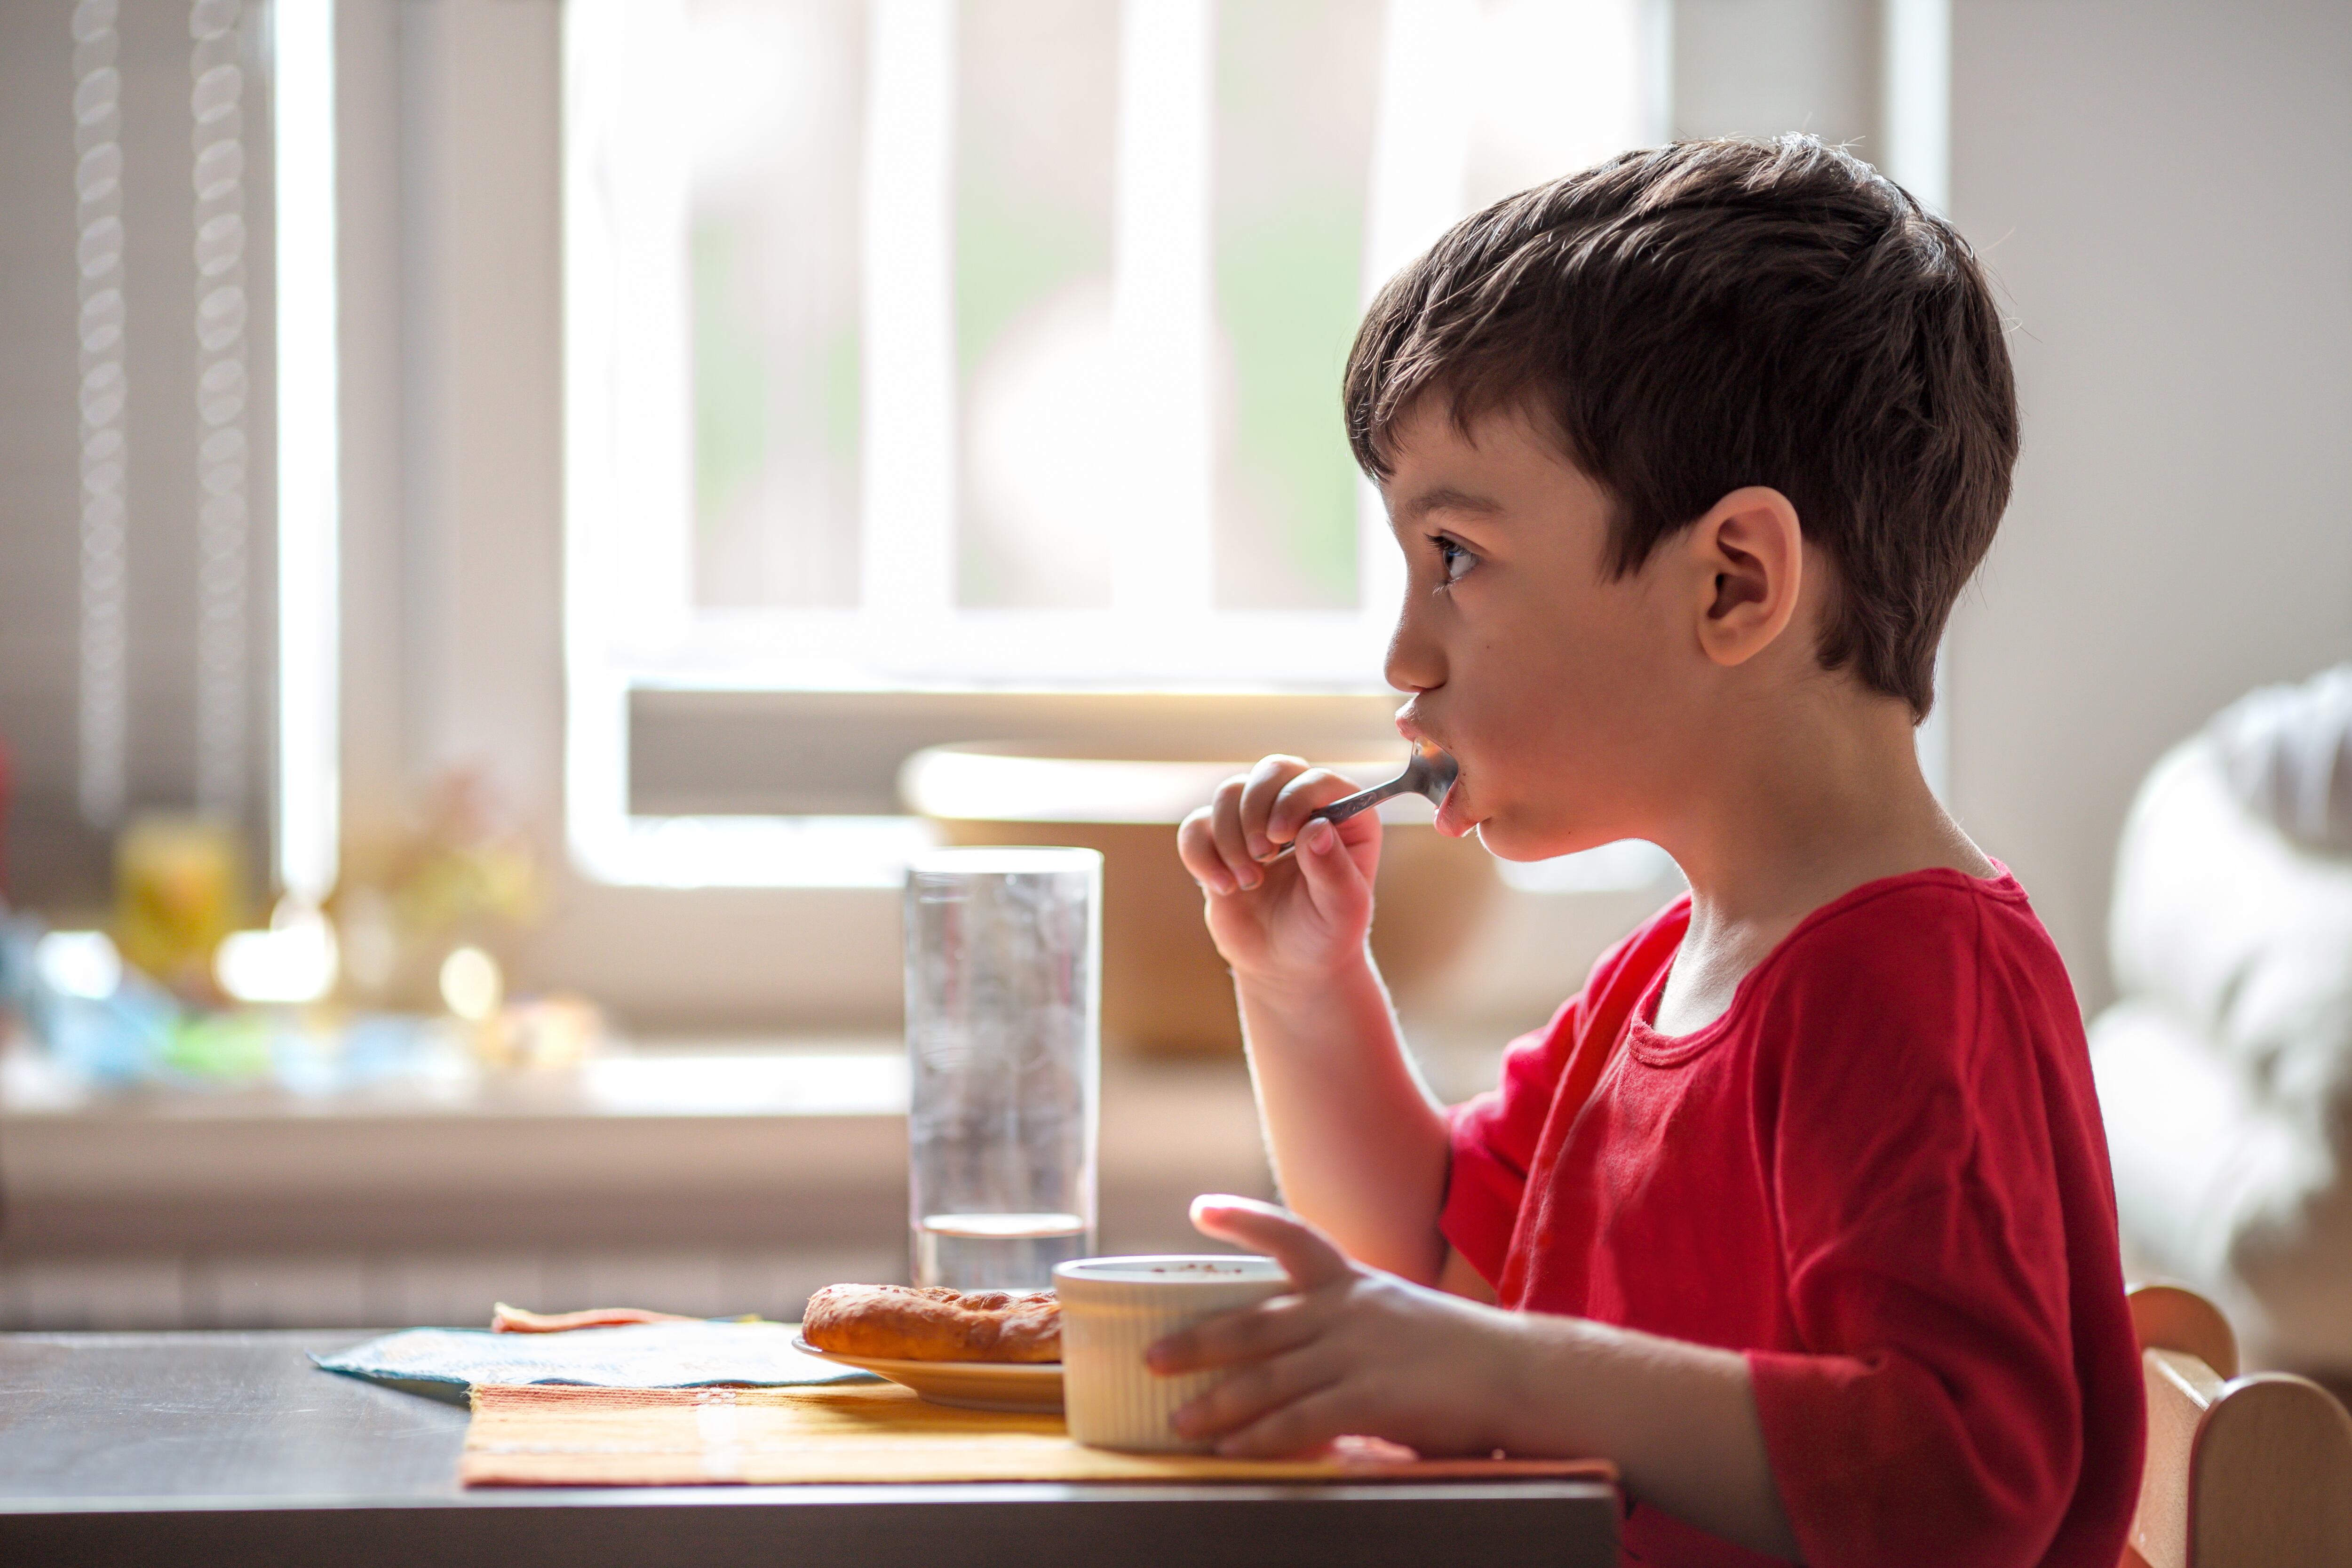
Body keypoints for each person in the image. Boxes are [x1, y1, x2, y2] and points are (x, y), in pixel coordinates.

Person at [1165, 137, 2143, 1568]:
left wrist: (1500, 1373)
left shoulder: (1912, 981)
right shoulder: (1667, 980)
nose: (1402, 651)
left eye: (1457, 557)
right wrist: (1308, 988)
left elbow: (1960, 1487)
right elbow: (1428, 1267)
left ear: (1734, 582)